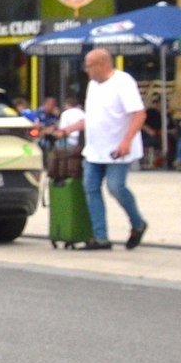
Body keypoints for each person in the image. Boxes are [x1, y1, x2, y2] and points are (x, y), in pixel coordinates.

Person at [79, 46, 148, 250]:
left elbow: (139, 114)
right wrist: (67, 129)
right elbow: (93, 116)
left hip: (117, 148)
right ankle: (100, 237)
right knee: (90, 187)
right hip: (94, 149)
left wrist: (126, 141)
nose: (86, 70)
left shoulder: (123, 82)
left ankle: (138, 223)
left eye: (89, 66)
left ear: (102, 65)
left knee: (116, 187)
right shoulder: (92, 85)